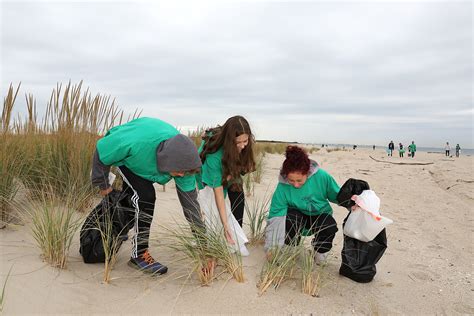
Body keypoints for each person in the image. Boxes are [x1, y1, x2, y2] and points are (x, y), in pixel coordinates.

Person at [91, 117, 203, 275]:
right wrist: (103, 185)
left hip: (144, 159)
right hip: (128, 157)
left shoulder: (184, 161)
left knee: (132, 197)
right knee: (145, 196)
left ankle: (120, 230)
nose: (181, 175)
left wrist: (205, 246)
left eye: (185, 171)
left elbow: (191, 207)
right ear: (168, 161)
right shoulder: (131, 143)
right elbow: (102, 150)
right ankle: (139, 255)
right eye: (179, 170)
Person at [265, 146, 340, 264]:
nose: (295, 185)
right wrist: (271, 247)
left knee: (329, 226)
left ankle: (318, 253)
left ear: (307, 173)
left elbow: (337, 195)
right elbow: (275, 217)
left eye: (299, 180)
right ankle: (291, 250)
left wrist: (354, 203)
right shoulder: (282, 186)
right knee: (290, 220)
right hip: (296, 218)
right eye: (291, 180)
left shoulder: (322, 176)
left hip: (319, 215)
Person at [197, 116, 256, 253]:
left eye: (245, 141)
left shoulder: (244, 145)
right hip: (207, 172)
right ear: (230, 141)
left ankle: (236, 237)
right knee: (212, 205)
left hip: (230, 166)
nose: (242, 145)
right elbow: (219, 194)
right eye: (238, 142)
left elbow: (242, 165)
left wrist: (231, 173)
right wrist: (225, 225)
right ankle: (215, 235)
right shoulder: (214, 157)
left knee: (238, 196)